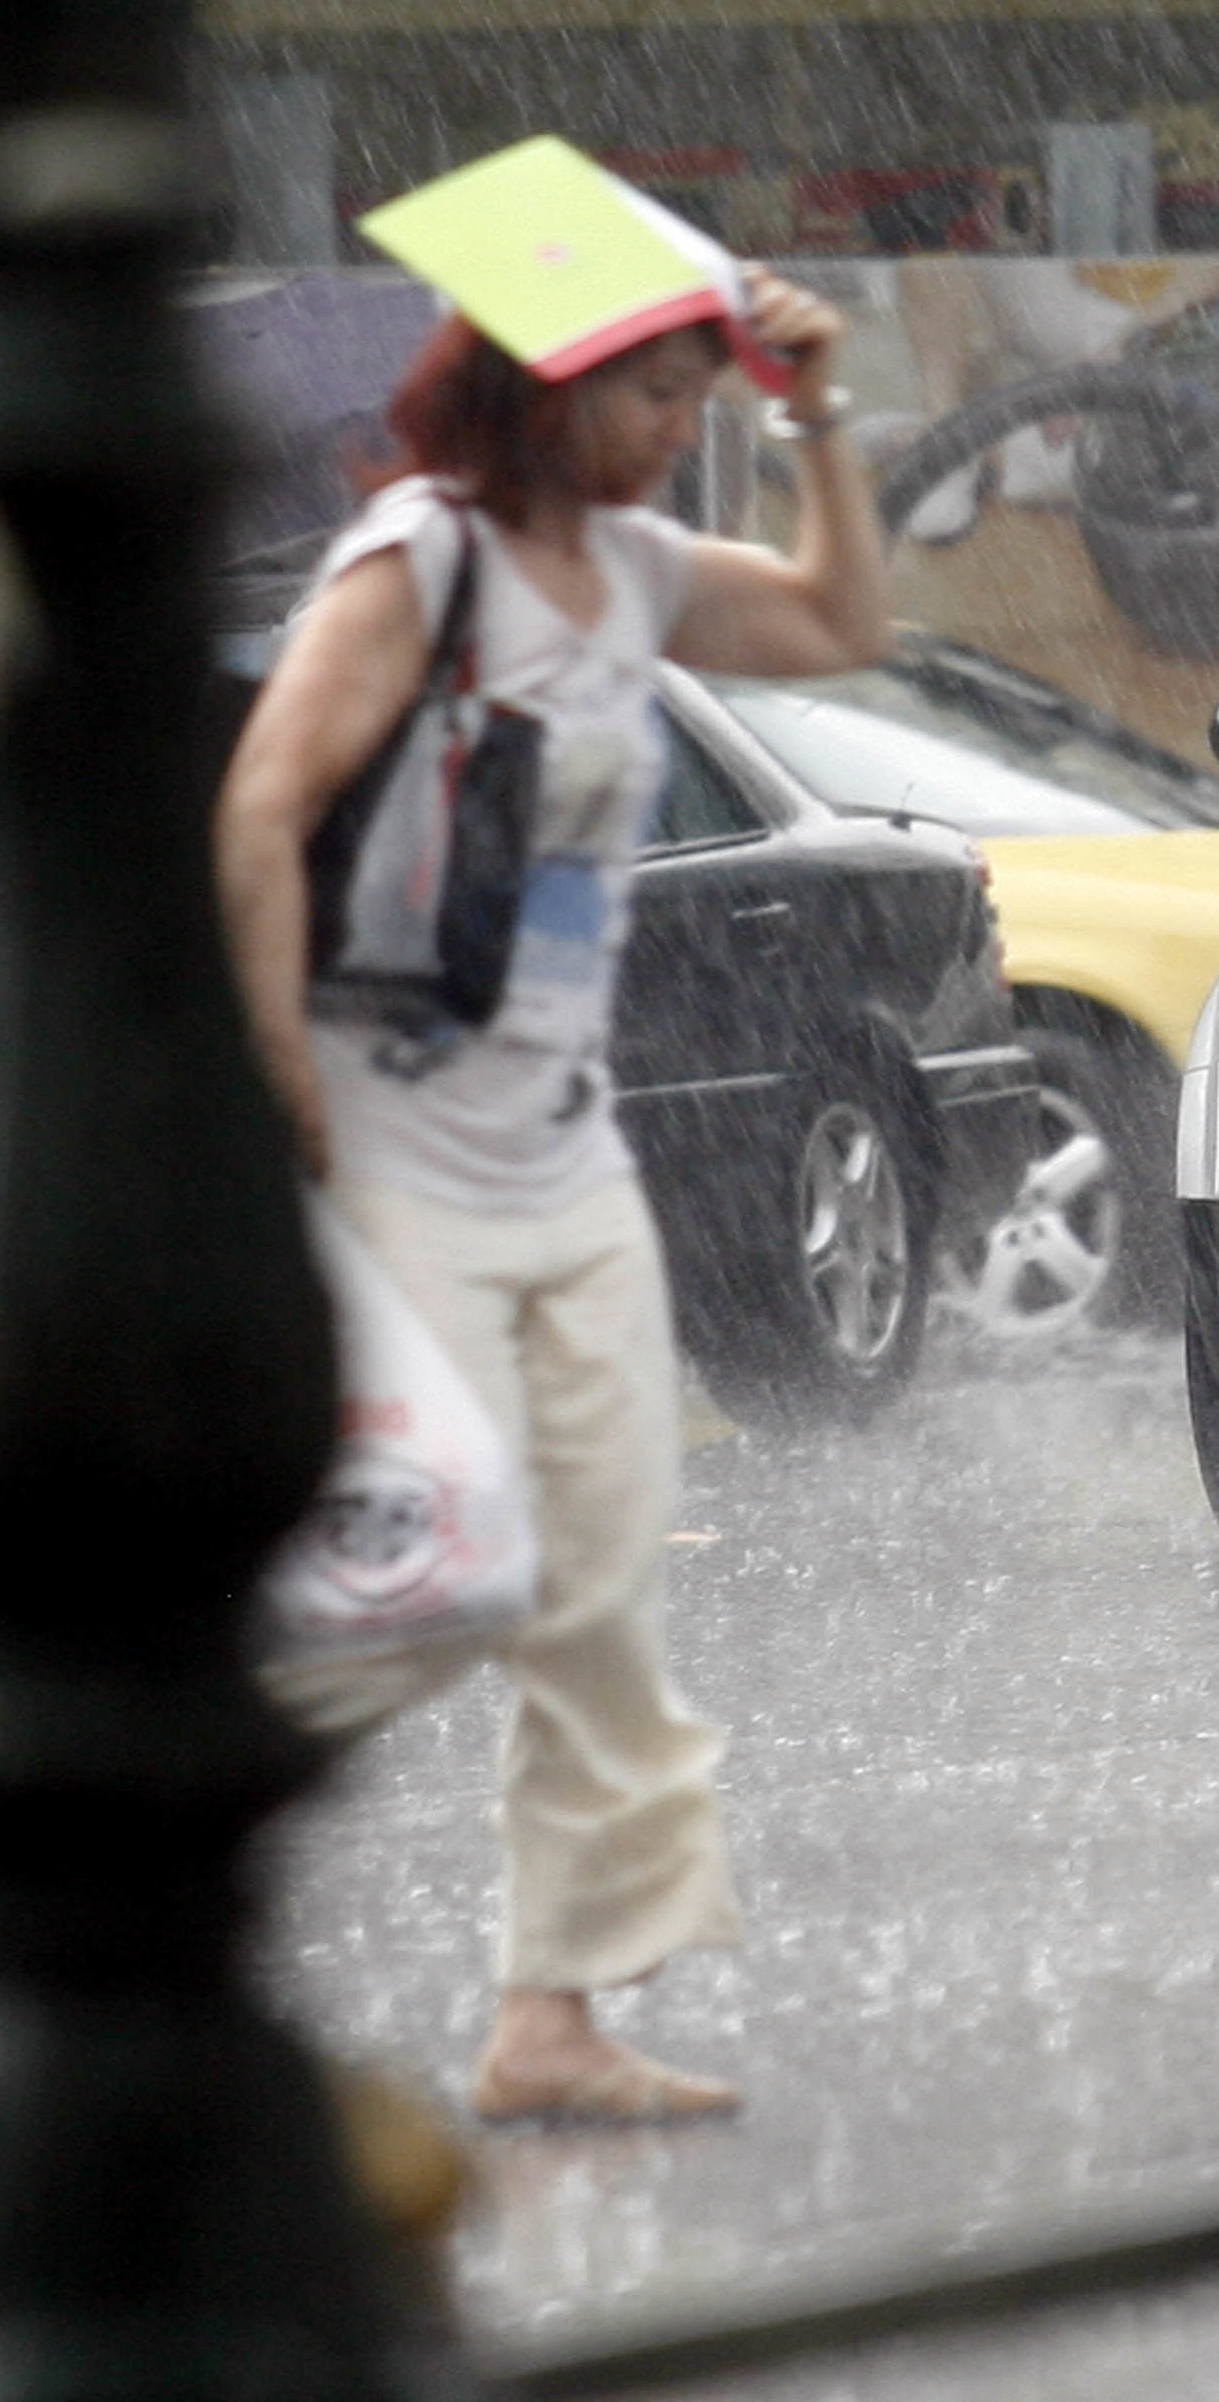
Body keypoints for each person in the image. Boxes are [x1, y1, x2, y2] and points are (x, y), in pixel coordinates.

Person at [216, 271, 886, 2124]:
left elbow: (841, 619)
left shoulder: (647, 570)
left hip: (570, 1152)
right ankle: (137, 1823)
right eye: (659, 394)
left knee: (596, 1589)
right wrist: (279, 1077)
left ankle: (549, 2022)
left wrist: (817, 413)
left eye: (698, 392)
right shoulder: (417, 560)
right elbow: (261, 806)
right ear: (548, 386)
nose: (685, 427)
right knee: (432, 1578)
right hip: (391, 1131)